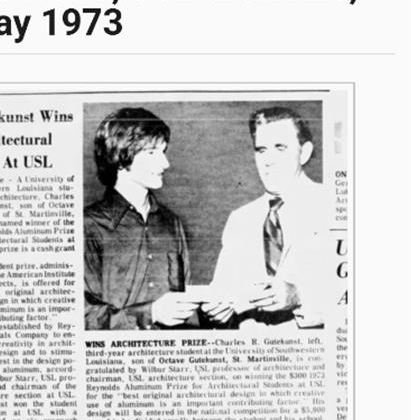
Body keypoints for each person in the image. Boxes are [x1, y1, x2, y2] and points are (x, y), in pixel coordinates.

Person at [203, 106, 327, 329]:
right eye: (261, 150)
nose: (268, 161)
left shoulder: (337, 206)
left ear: (305, 152)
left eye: (280, 148)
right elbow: (221, 292)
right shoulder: (239, 220)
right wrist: (214, 310)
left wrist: (299, 296)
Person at [84, 107, 196, 330]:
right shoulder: (88, 226)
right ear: (121, 156)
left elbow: (187, 302)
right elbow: (82, 316)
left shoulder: (172, 223)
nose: (166, 163)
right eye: (153, 152)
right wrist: (150, 314)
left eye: (163, 152)